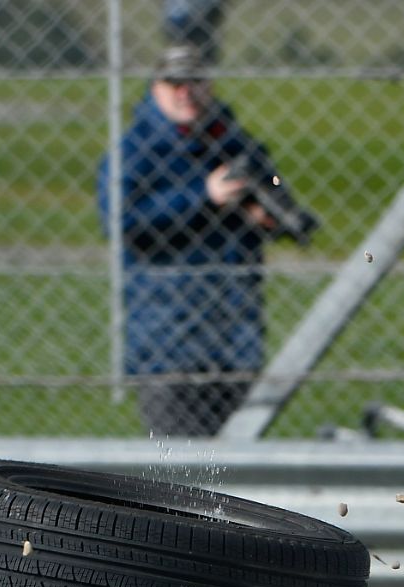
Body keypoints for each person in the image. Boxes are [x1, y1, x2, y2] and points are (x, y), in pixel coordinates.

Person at [97, 45, 281, 439]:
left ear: (210, 86)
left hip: (235, 336)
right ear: (155, 87)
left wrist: (268, 214)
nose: (185, 93)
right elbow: (123, 221)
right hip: (168, 342)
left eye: (194, 82)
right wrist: (203, 196)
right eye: (174, 83)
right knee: (180, 471)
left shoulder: (237, 144)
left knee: (237, 468)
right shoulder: (133, 152)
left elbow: (278, 196)